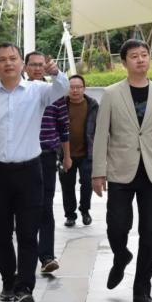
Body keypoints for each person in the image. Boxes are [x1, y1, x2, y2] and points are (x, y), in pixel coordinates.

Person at [0, 42, 69, 302]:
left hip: (30, 171)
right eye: (2, 59)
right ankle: (8, 282)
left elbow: (62, 88)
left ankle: (25, 288)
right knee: (2, 233)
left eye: (13, 58)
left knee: (27, 233)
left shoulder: (37, 91)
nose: (8, 63)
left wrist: (56, 73)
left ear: (21, 63)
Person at [91, 39, 152, 302]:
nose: (141, 59)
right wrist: (98, 172)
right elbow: (101, 136)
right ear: (124, 62)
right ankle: (121, 256)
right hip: (120, 172)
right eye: (134, 56)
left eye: (144, 55)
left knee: (151, 233)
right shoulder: (111, 94)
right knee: (117, 226)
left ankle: (142, 289)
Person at [24, 51, 71, 274]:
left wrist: (67, 155)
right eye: (32, 65)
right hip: (23, 157)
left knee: (45, 205)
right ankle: (26, 256)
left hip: (46, 155)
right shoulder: (18, 92)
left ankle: (47, 256)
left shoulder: (54, 93)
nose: (37, 68)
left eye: (40, 65)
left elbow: (63, 127)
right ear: (25, 67)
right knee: (24, 208)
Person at [59, 75, 98, 227]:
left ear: (84, 88)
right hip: (65, 154)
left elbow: (99, 128)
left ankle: (85, 210)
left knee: (87, 184)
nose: (75, 90)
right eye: (71, 87)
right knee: (67, 185)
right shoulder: (61, 105)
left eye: (78, 87)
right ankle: (70, 215)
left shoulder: (93, 105)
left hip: (87, 153)